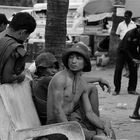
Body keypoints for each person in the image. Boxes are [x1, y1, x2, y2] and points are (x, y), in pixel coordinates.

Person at [47, 42, 115, 140]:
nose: (73, 61)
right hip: (56, 126)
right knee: (99, 138)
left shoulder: (82, 83)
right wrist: (73, 132)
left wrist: (103, 126)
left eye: (78, 58)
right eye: (71, 57)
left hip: (72, 123)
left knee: (108, 129)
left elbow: (89, 112)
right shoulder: (60, 79)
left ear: (85, 62)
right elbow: (58, 111)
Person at [0, 12, 36, 84]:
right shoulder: (15, 48)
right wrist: (21, 76)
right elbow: (7, 78)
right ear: (22, 33)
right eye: (27, 35)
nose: (26, 38)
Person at [113, 18, 140, 95]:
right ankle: (116, 89)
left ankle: (131, 89)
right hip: (122, 51)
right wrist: (132, 59)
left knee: (134, 70)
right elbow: (125, 48)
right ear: (138, 28)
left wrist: (138, 59)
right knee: (118, 70)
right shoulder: (130, 33)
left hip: (133, 51)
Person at [116, 10, 136, 78]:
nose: (125, 17)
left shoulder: (134, 25)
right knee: (122, 60)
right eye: (124, 16)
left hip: (131, 46)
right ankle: (127, 71)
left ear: (130, 17)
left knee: (130, 59)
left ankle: (130, 72)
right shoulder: (120, 24)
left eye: (126, 16)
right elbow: (118, 35)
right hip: (122, 45)